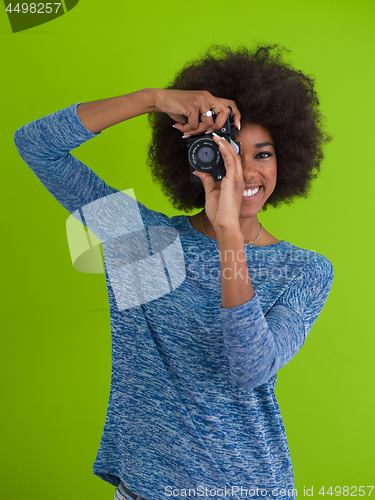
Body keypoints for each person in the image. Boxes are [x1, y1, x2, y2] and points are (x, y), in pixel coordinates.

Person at [14, 45, 334, 500]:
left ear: (286, 163)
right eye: (230, 153)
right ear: (199, 159)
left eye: (262, 155)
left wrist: (228, 232)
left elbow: (250, 368)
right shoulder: (143, 242)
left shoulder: (303, 270)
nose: (246, 171)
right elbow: (37, 146)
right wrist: (153, 99)